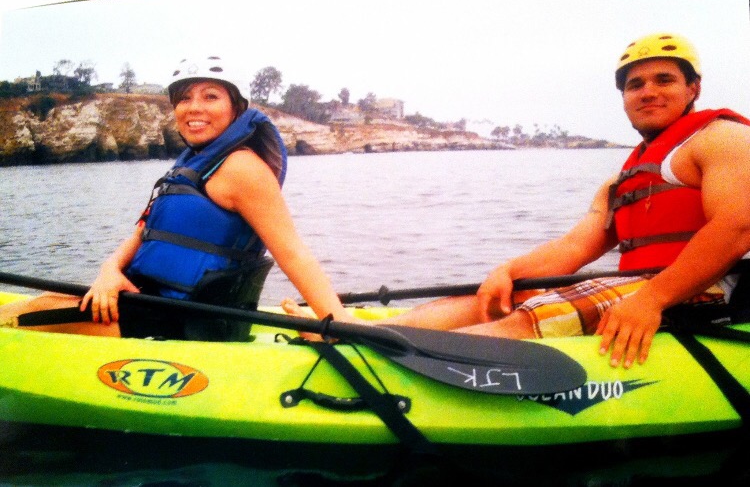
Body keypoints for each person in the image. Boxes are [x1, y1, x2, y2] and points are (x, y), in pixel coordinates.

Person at [285, 32, 750, 368]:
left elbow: (736, 229)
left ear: (693, 88)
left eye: (664, 80)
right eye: (635, 84)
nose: (648, 92)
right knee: (503, 297)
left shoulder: (722, 138)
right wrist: (508, 272)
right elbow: (575, 247)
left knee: (532, 315)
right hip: (643, 287)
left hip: (705, 291)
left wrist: (651, 299)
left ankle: (378, 364)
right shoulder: (622, 179)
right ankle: (363, 334)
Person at [1, 55, 355, 340]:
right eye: (184, 98)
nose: (193, 107)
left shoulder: (242, 168)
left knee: (27, 314)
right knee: (43, 302)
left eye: (210, 96)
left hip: (190, 322)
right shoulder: (196, 163)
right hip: (153, 302)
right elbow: (144, 231)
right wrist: (109, 270)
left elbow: (293, 253)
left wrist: (335, 323)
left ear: (237, 108)